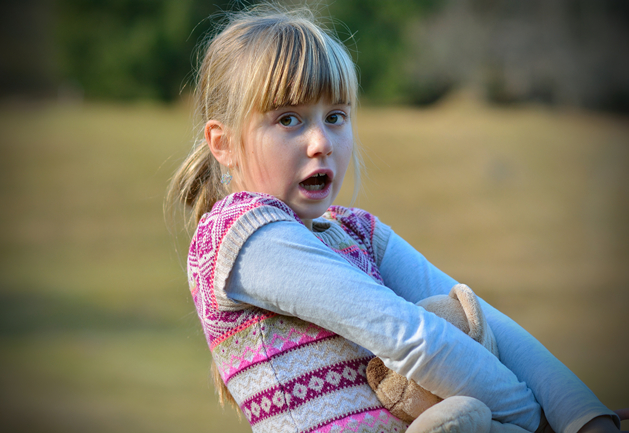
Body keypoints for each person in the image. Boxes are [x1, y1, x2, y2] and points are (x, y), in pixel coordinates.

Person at [166, 5, 624, 433]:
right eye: (288, 119)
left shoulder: (357, 233)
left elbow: (482, 316)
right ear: (222, 143)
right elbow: (408, 335)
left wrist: (583, 415)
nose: (321, 142)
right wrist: (537, 422)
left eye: (336, 116)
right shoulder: (242, 237)